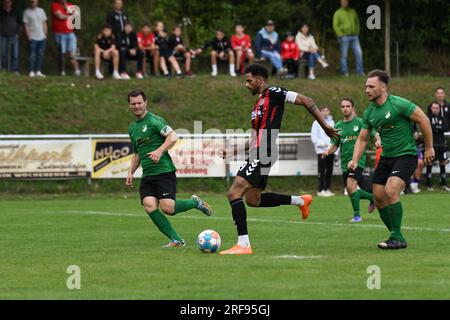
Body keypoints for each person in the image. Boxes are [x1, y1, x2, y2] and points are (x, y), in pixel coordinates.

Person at [219, 64, 340, 255]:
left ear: (260, 80)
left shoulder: (274, 92)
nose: (246, 84)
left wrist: (324, 126)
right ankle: (300, 200)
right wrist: (234, 150)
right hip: (260, 149)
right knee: (252, 199)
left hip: (265, 150)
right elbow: (253, 138)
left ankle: (243, 244)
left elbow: (306, 100)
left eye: (249, 80)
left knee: (234, 192)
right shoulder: (257, 105)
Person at [349, 70, 434, 250]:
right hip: (387, 158)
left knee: (391, 190)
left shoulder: (399, 104)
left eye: (371, 86)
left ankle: (396, 237)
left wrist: (429, 147)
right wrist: (355, 159)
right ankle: (397, 235)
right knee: (378, 197)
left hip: (406, 155)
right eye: (366, 86)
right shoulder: (369, 112)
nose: (367, 90)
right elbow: (363, 139)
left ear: (383, 87)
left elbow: (424, 120)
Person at [126, 89, 213, 247]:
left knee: (168, 209)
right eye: (133, 104)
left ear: (145, 103)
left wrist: (160, 150)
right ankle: (176, 240)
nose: (136, 106)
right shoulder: (132, 128)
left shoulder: (154, 121)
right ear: (129, 105)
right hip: (148, 175)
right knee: (149, 206)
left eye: (139, 103)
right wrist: (130, 172)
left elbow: (172, 136)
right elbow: (137, 153)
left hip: (164, 171)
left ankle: (195, 203)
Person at [323, 98, 379, 222]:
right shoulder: (338, 125)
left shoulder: (360, 122)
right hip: (344, 163)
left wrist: (378, 140)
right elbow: (335, 143)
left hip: (358, 160)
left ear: (353, 108)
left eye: (348, 106)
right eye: (343, 106)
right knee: (350, 189)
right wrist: (328, 151)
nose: (345, 108)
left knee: (350, 185)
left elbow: (374, 133)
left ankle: (357, 216)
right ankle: (372, 198)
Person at [333, 0, 364, 76]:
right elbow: (335, 25)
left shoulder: (353, 11)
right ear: (341, 2)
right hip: (344, 37)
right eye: (343, 1)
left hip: (354, 36)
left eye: (346, 1)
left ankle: (360, 72)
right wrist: (340, 35)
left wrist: (357, 32)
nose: (345, 2)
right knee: (344, 55)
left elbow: (357, 22)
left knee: (359, 53)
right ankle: (344, 72)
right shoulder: (338, 13)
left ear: (348, 2)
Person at [51, 0, 80, 76]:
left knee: (72, 53)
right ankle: (62, 71)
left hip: (70, 33)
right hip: (59, 33)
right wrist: (70, 15)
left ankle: (77, 71)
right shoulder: (55, 5)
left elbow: (77, 17)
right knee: (61, 53)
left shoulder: (70, 5)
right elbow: (60, 16)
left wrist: (67, 9)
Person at [311, 106, 335, 197]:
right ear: (320, 112)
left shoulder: (332, 122)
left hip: (330, 150)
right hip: (321, 151)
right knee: (322, 170)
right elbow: (314, 137)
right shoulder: (316, 123)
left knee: (329, 170)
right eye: (323, 110)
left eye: (327, 110)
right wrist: (323, 144)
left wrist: (331, 147)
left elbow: (334, 136)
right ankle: (320, 190)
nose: (325, 112)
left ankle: (326, 188)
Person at [426, 102, 449, 191]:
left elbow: (446, 128)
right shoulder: (428, 118)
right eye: (434, 108)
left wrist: (436, 128)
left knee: (442, 162)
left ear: (439, 109)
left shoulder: (442, 118)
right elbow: (429, 128)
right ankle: (428, 184)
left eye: (437, 108)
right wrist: (438, 128)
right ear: (431, 108)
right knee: (429, 163)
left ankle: (443, 183)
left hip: (441, 144)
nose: (435, 109)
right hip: (432, 144)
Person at [23, 0, 47, 78]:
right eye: (32, 2)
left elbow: (44, 22)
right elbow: (25, 25)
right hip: (32, 37)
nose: (33, 3)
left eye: (34, 1)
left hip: (42, 36)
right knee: (32, 55)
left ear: (37, 2)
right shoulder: (26, 12)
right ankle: (31, 71)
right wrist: (28, 35)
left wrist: (45, 34)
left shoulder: (41, 11)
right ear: (30, 2)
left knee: (40, 55)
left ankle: (38, 71)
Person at [0, 0, 20, 74]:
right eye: (6, 2)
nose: (7, 3)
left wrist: (18, 33)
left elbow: (19, 23)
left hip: (14, 35)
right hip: (2, 35)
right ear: (3, 2)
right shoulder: (0, 10)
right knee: (3, 54)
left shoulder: (16, 10)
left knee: (15, 54)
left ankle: (14, 70)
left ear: (11, 2)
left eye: (9, 2)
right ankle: (4, 69)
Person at [409, 125, 425, 194]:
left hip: (416, 147)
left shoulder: (415, 123)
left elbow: (422, 138)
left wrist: (418, 136)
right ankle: (411, 184)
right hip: (406, 147)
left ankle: (416, 183)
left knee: (420, 163)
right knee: (410, 164)